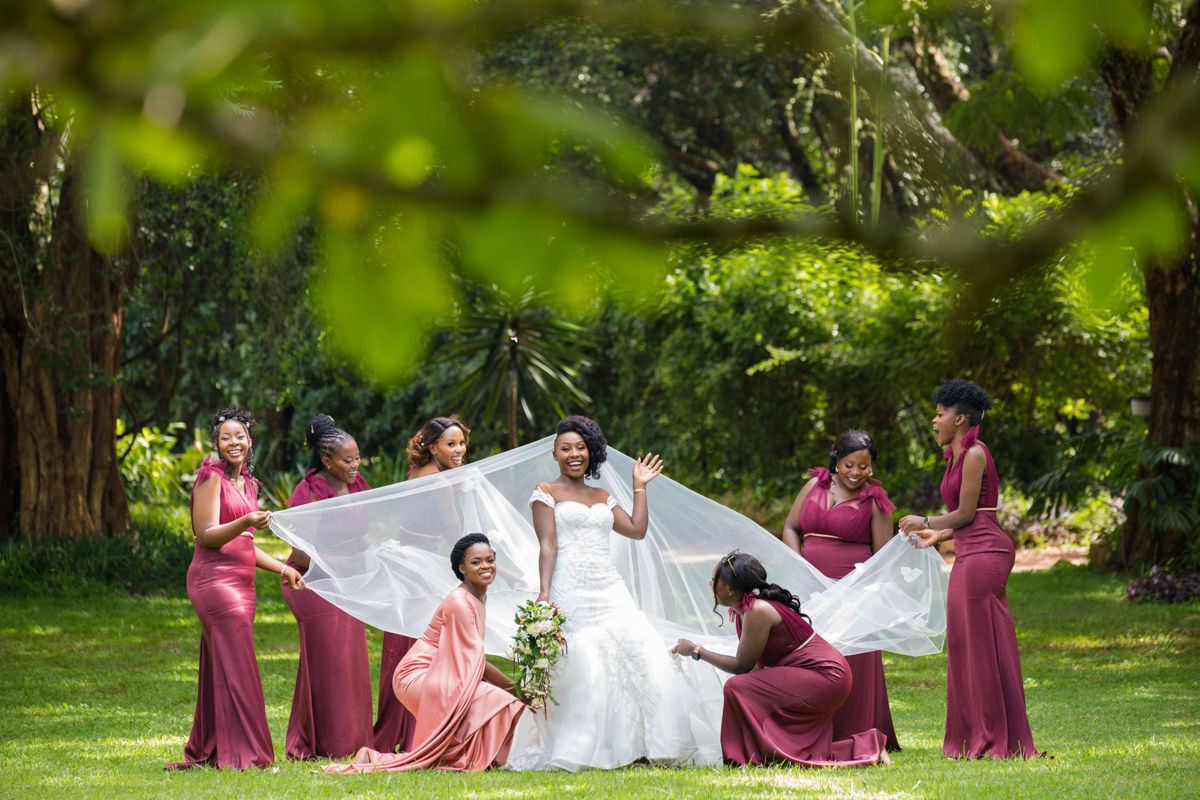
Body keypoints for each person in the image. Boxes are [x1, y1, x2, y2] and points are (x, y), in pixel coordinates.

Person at [506, 415, 719, 771]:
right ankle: (592, 746)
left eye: (581, 447)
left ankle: (645, 744)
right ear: (555, 454)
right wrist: (544, 594)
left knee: (637, 649)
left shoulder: (602, 495)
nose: (575, 454)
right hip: (570, 585)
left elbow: (636, 530)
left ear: (591, 452)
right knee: (586, 660)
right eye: (566, 448)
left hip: (609, 587)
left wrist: (639, 486)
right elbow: (548, 545)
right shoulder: (546, 492)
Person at [899, 379, 1041, 759]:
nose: (934, 420)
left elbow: (965, 514)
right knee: (964, 644)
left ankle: (992, 738)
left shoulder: (976, 453)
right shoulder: (958, 456)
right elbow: (967, 519)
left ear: (960, 419)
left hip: (986, 554)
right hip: (969, 552)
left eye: (941, 413)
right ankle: (971, 735)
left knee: (980, 647)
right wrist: (937, 538)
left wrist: (925, 520)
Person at [165, 406, 304, 770]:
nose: (233, 442)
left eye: (239, 436)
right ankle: (253, 755)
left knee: (222, 663)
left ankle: (212, 747)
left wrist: (282, 570)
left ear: (250, 442)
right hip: (214, 581)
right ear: (216, 444)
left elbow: (245, 542)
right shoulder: (210, 477)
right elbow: (206, 535)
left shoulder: (251, 484)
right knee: (240, 663)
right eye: (225, 437)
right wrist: (245, 518)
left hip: (243, 583)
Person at [324, 534, 527, 773]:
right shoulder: (460, 604)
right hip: (419, 675)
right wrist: (511, 686)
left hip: (446, 672)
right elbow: (473, 658)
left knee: (488, 702)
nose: (485, 566)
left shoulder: (477, 595)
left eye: (490, 560)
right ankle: (466, 758)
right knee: (500, 700)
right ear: (462, 568)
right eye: (476, 562)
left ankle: (373, 755)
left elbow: (469, 656)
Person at [672, 551, 889, 768]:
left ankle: (747, 757)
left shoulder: (758, 610)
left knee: (735, 687)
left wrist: (696, 650)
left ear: (729, 588)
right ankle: (866, 745)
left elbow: (741, 667)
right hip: (819, 675)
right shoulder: (747, 611)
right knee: (743, 690)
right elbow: (756, 667)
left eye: (714, 579)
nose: (710, 584)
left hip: (827, 677)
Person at [781, 430, 901, 751]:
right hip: (809, 588)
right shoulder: (814, 485)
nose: (856, 473)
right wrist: (799, 567)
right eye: (850, 465)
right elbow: (791, 528)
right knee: (813, 659)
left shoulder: (875, 500)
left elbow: (885, 557)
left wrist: (865, 596)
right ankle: (807, 730)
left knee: (849, 662)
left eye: (865, 467)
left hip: (853, 593)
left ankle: (855, 733)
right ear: (836, 460)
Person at [279, 414, 374, 760]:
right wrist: (342, 568)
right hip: (311, 583)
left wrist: (378, 552)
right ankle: (327, 744)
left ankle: (353, 741)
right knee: (331, 660)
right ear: (326, 460)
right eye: (348, 460)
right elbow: (301, 556)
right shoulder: (311, 491)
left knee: (351, 658)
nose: (355, 465)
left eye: (358, 457)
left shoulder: (356, 483)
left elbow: (360, 530)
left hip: (345, 578)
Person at [374, 415, 470, 755]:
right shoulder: (437, 482)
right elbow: (455, 533)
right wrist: (480, 561)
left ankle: (401, 726)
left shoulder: (420, 472)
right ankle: (421, 728)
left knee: (407, 643)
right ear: (432, 447)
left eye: (461, 443)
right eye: (451, 444)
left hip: (410, 562)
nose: (459, 450)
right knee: (423, 647)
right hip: (417, 568)